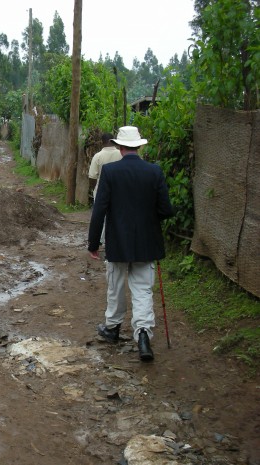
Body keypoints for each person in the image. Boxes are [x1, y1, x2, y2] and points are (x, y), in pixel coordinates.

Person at [87, 126, 174, 362]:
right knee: (143, 288)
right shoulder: (154, 171)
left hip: (118, 241)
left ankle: (113, 327)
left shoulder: (110, 172)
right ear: (139, 146)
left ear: (119, 146)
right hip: (147, 242)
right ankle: (143, 335)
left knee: (115, 284)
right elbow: (166, 210)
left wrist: (93, 242)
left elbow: (99, 211)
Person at [88, 132, 121, 243]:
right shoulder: (121, 154)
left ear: (102, 142)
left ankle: (101, 240)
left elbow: (92, 176)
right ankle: (113, 238)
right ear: (114, 141)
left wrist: (94, 189)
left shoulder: (98, 156)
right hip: (119, 189)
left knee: (100, 215)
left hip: (101, 189)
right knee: (116, 214)